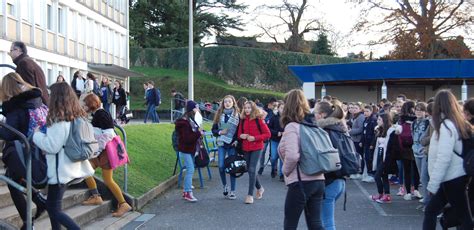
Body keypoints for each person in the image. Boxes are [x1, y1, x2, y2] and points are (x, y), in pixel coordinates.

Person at [32, 82, 94, 230]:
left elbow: (52, 146)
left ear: (56, 98)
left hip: (60, 171)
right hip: (69, 168)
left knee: (54, 210)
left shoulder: (59, 120)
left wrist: (36, 135)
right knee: (55, 209)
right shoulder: (75, 116)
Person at [0, 73, 47, 230]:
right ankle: (39, 201)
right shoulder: (35, 99)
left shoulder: (17, 106)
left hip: (25, 152)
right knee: (12, 178)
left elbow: (9, 134)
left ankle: (29, 223)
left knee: (12, 182)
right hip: (40, 150)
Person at [423, 89, 473, 230]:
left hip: (452, 178)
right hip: (453, 177)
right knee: (432, 211)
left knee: (464, 219)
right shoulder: (454, 123)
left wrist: (433, 184)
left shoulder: (446, 126)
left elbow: (443, 158)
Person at [278, 89, 325, 230]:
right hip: (318, 179)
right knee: (315, 223)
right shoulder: (313, 124)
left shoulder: (292, 127)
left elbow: (292, 155)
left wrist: (285, 171)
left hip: (301, 181)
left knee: (290, 224)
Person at [80, 94, 132, 217]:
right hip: (100, 153)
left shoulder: (101, 114)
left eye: (85, 105)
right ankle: (96, 196)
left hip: (104, 153)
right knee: (86, 170)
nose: (83, 107)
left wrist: (97, 150)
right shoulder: (98, 114)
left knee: (107, 179)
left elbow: (108, 134)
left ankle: (123, 203)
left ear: (90, 105)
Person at [313, 100, 347, 230]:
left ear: (321, 115)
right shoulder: (340, 128)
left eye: (315, 112)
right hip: (340, 180)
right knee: (325, 221)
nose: (313, 114)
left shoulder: (324, 131)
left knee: (326, 222)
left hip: (329, 180)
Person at [237, 101, 270, 204]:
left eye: (249, 108)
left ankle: (250, 195)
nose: (247, 110)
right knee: (250, 170)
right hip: (246, 148)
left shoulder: (259, 120)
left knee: (252, 169)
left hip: (257, 147)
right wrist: (241, 136)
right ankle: (260, 188)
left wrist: (255, 138)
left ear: (253, 109)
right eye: (245, 108)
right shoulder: (242, 120)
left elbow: (267, 134)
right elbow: (239, 134)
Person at [211, 95, 240, 200]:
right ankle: (225, 186)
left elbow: (239, 131)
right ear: (223, 104)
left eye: (229, 101)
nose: (227, 103)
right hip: (222, 143)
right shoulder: (219, 115)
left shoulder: (237, 115)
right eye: (225, 102)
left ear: (233, 103)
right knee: (221, 166)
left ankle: (233, 191)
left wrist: (237, 140)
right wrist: (219, 132)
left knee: (232, 167)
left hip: (232, 144)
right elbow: (213, 130)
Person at [175, 100, 202, 202]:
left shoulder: (191, 120)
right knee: (190, 169)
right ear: (191, 109)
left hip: (190, 149)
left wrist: (199, 133)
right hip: (185, 149)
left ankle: (186, 191)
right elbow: (187, 138)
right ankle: (187, 192)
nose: (198, 110)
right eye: (196, 108)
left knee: (190, 169)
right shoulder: (185, 123)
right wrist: (199, 133)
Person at [370, 112, 398, 204]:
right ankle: (383, 194)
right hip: (379, 154)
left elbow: (393, 147)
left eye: (379, 119)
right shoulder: (380, 130)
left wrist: (388, 159)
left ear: (385, 120)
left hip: (387, 156)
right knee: (383, 176)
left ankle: (385, 194)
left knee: (377, 176)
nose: (377, 121)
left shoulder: (392, 131)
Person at [396, 100, 422, 200]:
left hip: (405, 146)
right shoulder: (417, 119)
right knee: (416, 170)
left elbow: (398, 131)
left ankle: (407, 191)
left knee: (406, 170)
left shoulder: (401, 118)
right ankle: (415, 189)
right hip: (415, 145)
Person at [411, 102, 429, 202]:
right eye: (417, 110)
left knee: (424, 175)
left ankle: (427, 198)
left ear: (425, 112)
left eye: (421, 110)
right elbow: (413, 135)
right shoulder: (414, 122)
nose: (418, 112)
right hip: (416, 150)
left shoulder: (428, 122)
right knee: (421, 176)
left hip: (424, 150)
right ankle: (425, 196)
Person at [258, 98, 277, 175]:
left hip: (273, 135)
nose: (275, 106)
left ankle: (274, 168)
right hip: (265, 135)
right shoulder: (263, 111)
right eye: (274, 105)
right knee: (262, 151)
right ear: (269, 104)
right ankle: (261, 166)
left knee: (273, 154)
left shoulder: (276, 113)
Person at [360, 105, 377, 182]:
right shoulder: (365, 120)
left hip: (370, 143)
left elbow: (375, 133)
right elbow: (363, 132)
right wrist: (361, 141)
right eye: (364, 111)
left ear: (371, 111)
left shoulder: (373, 120)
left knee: (370, 158)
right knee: (366, 158)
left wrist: (372, 144)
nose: (365, 113)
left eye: (367, 111)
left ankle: (372, 174)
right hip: (366, 142)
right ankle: (369, 173)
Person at [268, 102, 284, 180]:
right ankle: (273, 168)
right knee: (274, 157)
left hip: (284, 141)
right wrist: (276, 133)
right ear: (278, 108)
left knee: (282, 158)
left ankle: (282, 174)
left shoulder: (288, 118)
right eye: (281, 108)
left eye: (284, 108)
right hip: (274, 140)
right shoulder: (274, 117)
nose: (283, 110)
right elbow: (268, 128)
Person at [348, 102, 365, 179]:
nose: (354, 109)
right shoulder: (355, 116)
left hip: (358, 139)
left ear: (360, 109)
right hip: (354, 139)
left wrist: (350, 131)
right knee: (356, 156)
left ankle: (360, 172)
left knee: (359, 156)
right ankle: (357, 171)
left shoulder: (361, 116)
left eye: (356, 108)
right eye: (353, 108)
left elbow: (360, 129)